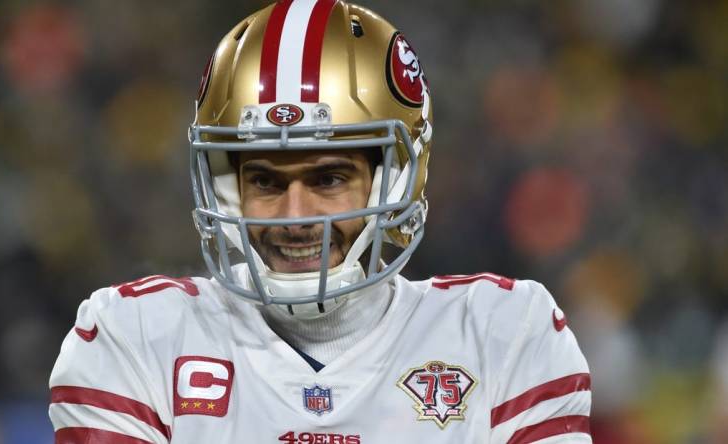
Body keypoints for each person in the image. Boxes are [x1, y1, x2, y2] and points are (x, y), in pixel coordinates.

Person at [48, 0, 592, 442]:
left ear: (395, 181)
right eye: (265, 181)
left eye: (329, 179)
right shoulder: (135, 339)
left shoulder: (503, 334)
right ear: (226, 189)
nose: (295, 215)